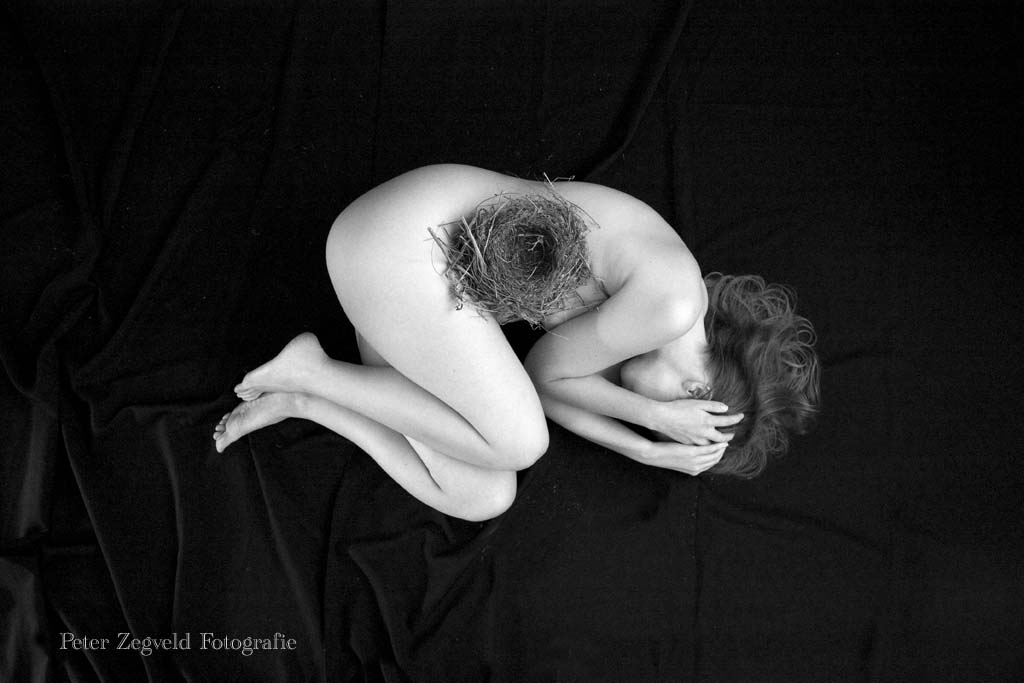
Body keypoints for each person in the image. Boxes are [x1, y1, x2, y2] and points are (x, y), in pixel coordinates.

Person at [212, 164, 819, 521]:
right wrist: (653, 420)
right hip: (400, 245)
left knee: (483, 493)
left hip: (405, 301)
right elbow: (543, 378)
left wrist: (646, 450)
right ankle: (313, 370)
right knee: (521, 443)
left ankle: (308, 401)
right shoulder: (673, 305)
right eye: (673, 425)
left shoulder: (662, 320)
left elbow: (552, 395)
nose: (643, 417)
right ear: (697, 393)